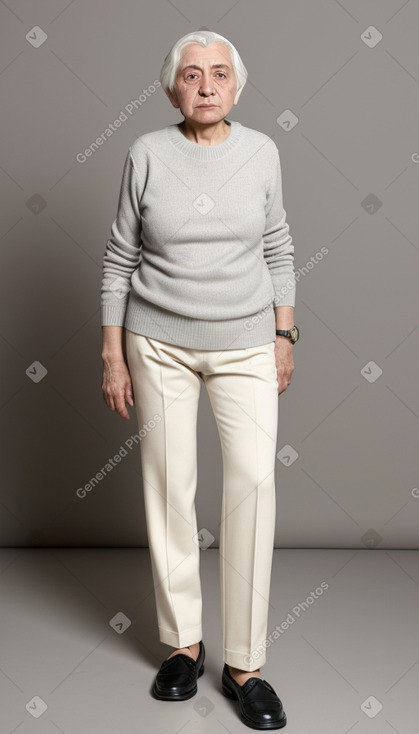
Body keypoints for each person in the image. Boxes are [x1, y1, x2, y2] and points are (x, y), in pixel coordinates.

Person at [100, 30, 299, 730]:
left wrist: (282, 333)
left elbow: (277, 244)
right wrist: (112, 351)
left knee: (250, 481)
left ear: (236, 87)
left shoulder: (261, 153)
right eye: (192, 75)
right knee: (168, 484)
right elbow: (119, 257)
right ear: (171, 88)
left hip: (245, 341)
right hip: (157, 343)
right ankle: (182, 646)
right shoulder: (147, 155)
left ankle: (244, 664)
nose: (207, 86)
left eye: (219, 74)